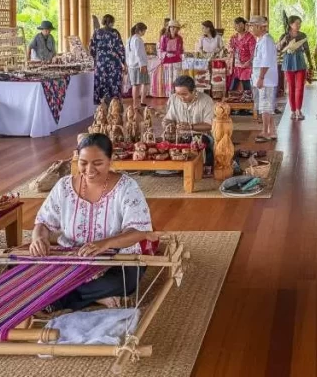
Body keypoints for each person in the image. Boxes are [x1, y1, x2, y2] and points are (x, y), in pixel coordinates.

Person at [31, 133, 153, 311]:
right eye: (83, 163)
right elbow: (42, 223)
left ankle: (56, 298)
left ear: (110, 160)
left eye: (97, 163)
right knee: (20, 267)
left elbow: (139, 231)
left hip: (115, 260)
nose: (89, 170)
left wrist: (105, 243)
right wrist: (38, 239)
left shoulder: (127, 187)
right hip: (71, 259)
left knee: (126, 281)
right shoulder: (64, 187)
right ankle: (94, 297)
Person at [164, 74, 216, 176]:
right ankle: (174, 166)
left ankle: (199, 167)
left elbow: (210, 125)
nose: (181, 98)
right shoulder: (174, 99)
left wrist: (190, 126)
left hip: (201, 135)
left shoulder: (206, 101)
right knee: (165, 143)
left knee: (195, 142)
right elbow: (169, 119)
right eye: (178, 94)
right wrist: (167, 124)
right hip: (180, 135)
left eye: (184, 94)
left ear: (194, 91)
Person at [249, 15, 278, 143]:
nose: (251, 29)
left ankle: (265, 131)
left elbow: (265, 62)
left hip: (266, 79)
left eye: (252, 26)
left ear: (259, 27)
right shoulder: (260, 39)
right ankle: (272, 131)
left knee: (265, 106)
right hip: (262, 78)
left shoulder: (266, 40)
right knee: (266, 106)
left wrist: (261, 78)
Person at [278, 16, 312, 121]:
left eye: (300, 23)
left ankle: (298, 110)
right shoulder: (285, 35)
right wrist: (284, 42)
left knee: (300, 88)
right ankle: (293, 111)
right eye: (297, 23)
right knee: (291, 88)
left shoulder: (302, 35)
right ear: (290, 24)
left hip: (300, 62)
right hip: (288, 62)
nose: (299, 25)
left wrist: (310, 63)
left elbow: (307, 50)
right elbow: (279, 50)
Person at [90, 14, 125, 104]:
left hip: (101, 63)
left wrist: (96, 59)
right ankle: (114, 107)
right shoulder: (115, 33)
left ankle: (102, 106)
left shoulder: (97, 32)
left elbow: (92, 48)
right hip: (114, 63)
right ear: (111, 22)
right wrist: (123, 62)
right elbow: (121, 48)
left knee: (101, 83)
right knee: (114, 84)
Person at [151, 20, 184, 98]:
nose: (173, 29)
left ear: (177, 29)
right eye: (171, 27)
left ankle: (177, 94)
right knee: (168, 78)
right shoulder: (164, 37)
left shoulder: (179, 38)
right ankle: (169, 95)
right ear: (169, 28)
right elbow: (161, 49)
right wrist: (166, 54)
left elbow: (180, 49)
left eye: (175, 27)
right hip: (167, 61)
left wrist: (180, 55)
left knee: (177, 77)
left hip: (177, 60)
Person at [228, 17, 256, 91]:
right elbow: (230, 48)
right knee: (232, 88)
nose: (234, 27)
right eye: (234, 25)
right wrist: (230, 49)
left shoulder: (250, 37)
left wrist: (249, 62)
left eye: (236, 25)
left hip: (246, 66)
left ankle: (248, 101)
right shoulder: (234, 37)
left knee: (246, 86)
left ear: (241, 25)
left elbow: (254, 53)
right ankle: (233, 101)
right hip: (236, 66)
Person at [126, 22, 150, 108]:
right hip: (139, 65)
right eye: (144, 31)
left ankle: (136, 103)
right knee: (142, 83)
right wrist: (142, 65)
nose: (144, 33)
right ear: (140, 30)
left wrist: (127, 63)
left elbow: (127, 53)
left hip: (132, 64)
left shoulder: (130, 39)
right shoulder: (137, 39)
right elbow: (138, 53)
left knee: (135, 84)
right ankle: (139, 103)